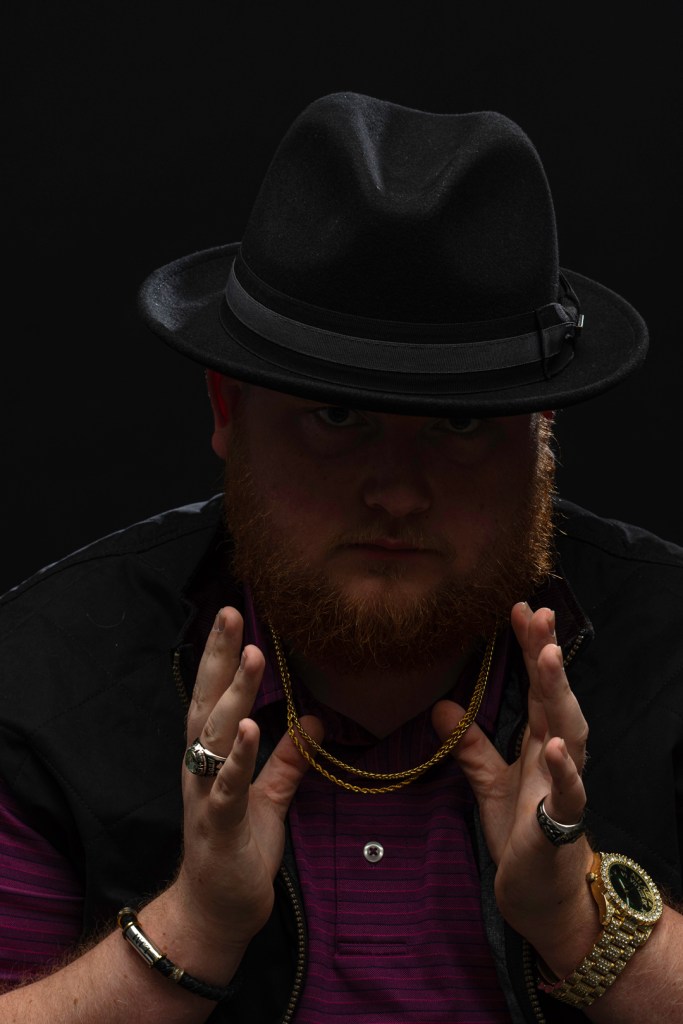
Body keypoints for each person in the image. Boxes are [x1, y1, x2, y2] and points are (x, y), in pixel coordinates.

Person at [0, 91, 681, 1024]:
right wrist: (194, 926)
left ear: (541, 430)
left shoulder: (672, 648)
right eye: (336, 418)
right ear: (227, 413)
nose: (397, 490)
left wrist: (576, 920)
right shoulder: (43, 675)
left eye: (459, 423)